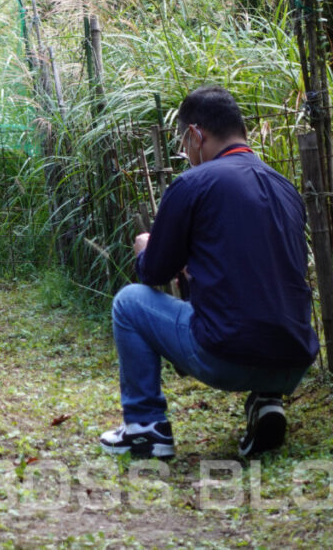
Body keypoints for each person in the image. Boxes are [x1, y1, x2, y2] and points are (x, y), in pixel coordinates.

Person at [99, 85, 318, 459]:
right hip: (293, 362)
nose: (185, 153)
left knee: (129, 303)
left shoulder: (192, 183)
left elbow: (153, 273)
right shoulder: (285, 187)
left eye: (184, 143)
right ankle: (267, 401)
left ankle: (145, 427)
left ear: (195, 135)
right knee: (264, 298)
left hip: (226, 357)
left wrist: (145, 248)